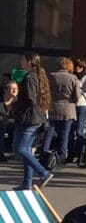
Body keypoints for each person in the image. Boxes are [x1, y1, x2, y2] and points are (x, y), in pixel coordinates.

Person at [11, 53, 53, 190]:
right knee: (26, 149)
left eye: (23, 60)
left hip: (29, 118)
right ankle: (27, 183)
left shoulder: (30, 77)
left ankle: (43, 172)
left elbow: (30, 99)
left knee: (20, 148)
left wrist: (16, 100)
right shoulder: (37, 76)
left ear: (29, 62)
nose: (21, 62)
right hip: (33, 117)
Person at [43, 58, 80, 165]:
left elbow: (46, 92)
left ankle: (44, 153)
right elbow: (77, 96)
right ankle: (61, 156)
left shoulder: (50, 76)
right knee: (65, 134)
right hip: (68, 109)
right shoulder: (73, 78)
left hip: (53, 107)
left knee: (49, 133)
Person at [0, 78, 17, 162]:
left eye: (16, 89)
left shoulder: (18, 101)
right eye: (12, 88)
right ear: (5, 90)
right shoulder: (1, 100)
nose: (15, 91)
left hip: (15, 123)